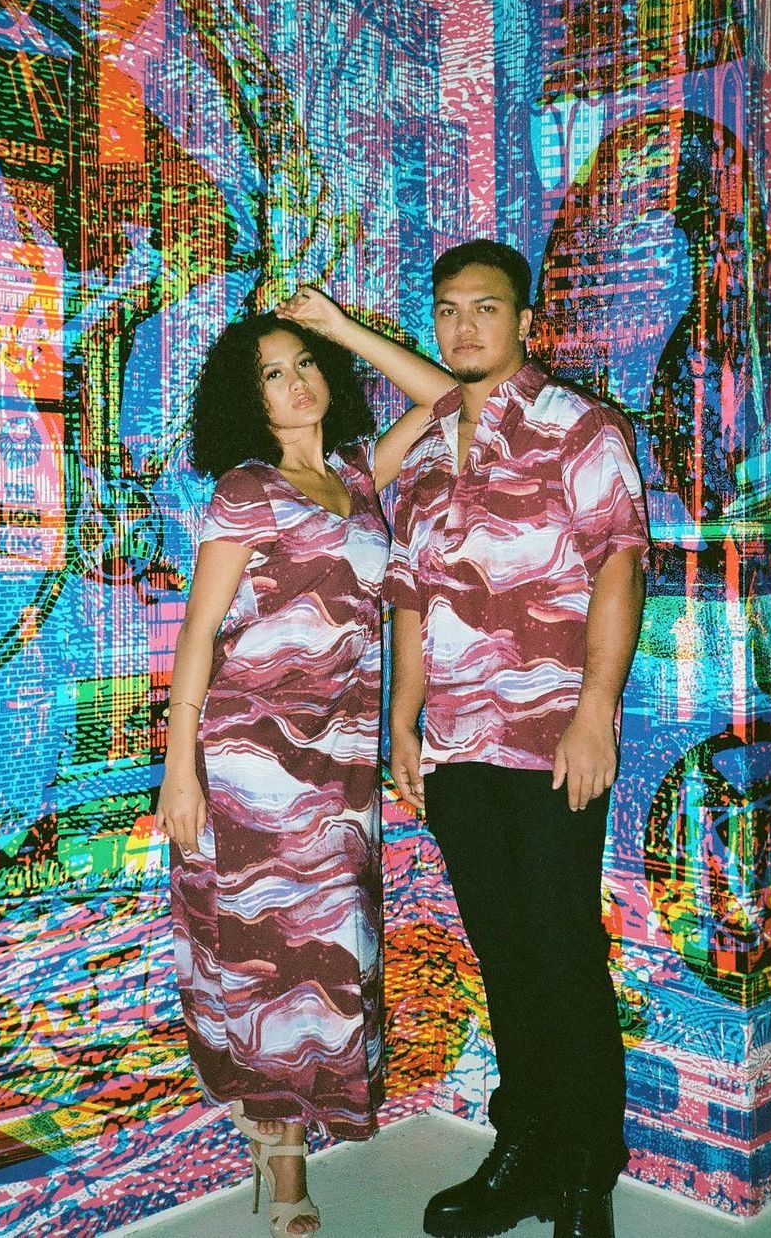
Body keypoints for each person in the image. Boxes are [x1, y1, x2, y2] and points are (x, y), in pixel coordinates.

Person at [156, 300, 453, 1237]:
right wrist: (179, 769)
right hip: (252, 760)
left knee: (325, 953)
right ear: (247, 402)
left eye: (306, 362)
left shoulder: (358, 477)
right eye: (273, 374)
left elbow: (446, 398)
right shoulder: (247, 489)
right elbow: (199, 634)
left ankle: (288, 1130)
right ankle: (283, 1163)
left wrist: (342, 327)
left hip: (342, 761)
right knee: (268, 955)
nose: (296, 383)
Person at [386, 240, 650, 1238]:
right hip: (458, 745)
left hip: (550, 737)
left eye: (485, 308)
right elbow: (411, 599)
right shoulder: (422, 452)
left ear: (525, 322)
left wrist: (594, 713)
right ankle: (526, 1148)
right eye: (448, 310)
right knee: (502, 951)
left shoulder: (579, 428)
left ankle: (584, 1174)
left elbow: (619, 565)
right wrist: (403, 720)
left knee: (563, 948)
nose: (464, 327)